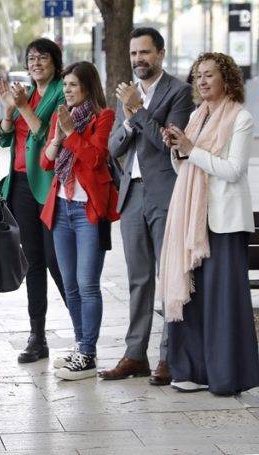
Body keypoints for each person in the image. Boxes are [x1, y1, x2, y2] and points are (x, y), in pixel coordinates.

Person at [159, 52, 259, 395]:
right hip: (192, 221)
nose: (201, 82)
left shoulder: (241, 118)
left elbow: (234, 170)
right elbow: (185, 170)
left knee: (223, 301)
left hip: (224, 223)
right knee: (193, 298)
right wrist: (177, 150)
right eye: (197, 76)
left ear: (227, 79)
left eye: (209, 75)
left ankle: (228, 375)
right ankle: (191, 370)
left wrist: (191, 149)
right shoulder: (196, 117)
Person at [100, 28, 195, 385]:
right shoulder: (129, 94)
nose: (139, 60)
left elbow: (168, 144)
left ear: (161, 54)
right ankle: (134, 354)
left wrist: (138, 112)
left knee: (169, 277)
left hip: (166, 193)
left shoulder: (179, 92)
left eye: (145, 53)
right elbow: (114, 148)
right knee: (138, 280)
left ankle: (168, 357)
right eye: (134, 54)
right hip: (132, 195)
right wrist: (127, 118)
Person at [39, 62, 119, 380]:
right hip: (61, 209)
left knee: (87, 285)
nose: (67, 90)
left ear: (87, 86)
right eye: (65, 85)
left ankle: (88, 354)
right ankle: (80, 344)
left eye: (73, 85)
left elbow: (95, 158)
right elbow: (46, 162)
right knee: (70, 285)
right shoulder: (61, 119)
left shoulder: (104, 117)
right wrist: (58, 136)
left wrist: (71, 131)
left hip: (88, 212)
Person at [0, 38, 67, 364]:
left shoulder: (59, 93)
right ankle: (36, 336)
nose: (36, 63)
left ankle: (83, 333)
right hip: (21, 185)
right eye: (31, 58)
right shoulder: (25, 93)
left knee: (56, 261)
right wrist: (10, 111)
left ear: (55, 62)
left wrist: (23, 106)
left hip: (49, 186)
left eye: (42, 57)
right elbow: (5, 138)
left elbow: (43, 134)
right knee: (34, 262)